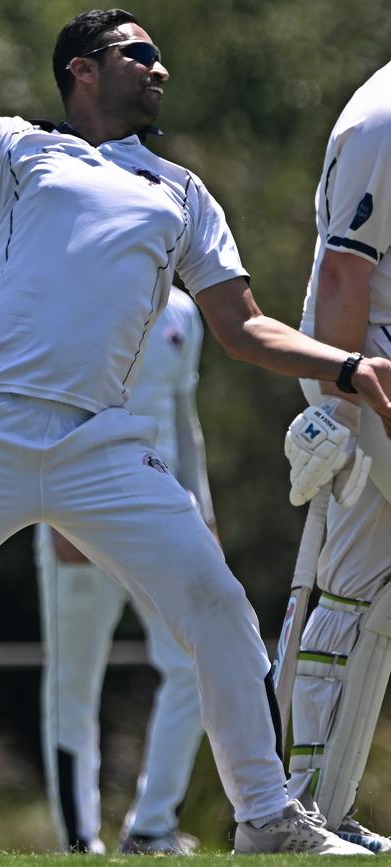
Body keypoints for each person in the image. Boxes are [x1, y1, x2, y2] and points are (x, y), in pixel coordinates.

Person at [0, 7, 391, 857]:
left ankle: (266, 815)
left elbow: (243, 328)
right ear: (82, 69)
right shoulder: (13, 149)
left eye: (161, 56)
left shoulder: (183, 194)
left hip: (100, 446)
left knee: (217, 604)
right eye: (139, 54)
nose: (160, 68)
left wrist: (348, 367)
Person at [36, 287, 213, 855]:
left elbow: (184, 420)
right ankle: (78, 841)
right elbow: (44, 405)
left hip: (162, 517)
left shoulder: (184, 311)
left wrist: (203, 514)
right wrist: (56, 513)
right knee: (73, 682)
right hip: (79, 513)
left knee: (193, 664)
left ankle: (151, 826)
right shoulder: (77, 293)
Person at [282, 60, 391, 854]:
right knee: (354, 592)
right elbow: (343, 267)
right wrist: (341, 405)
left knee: (361, 591)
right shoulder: (385, 119)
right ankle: (302, 803)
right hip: (372, 367)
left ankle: (317, 803)